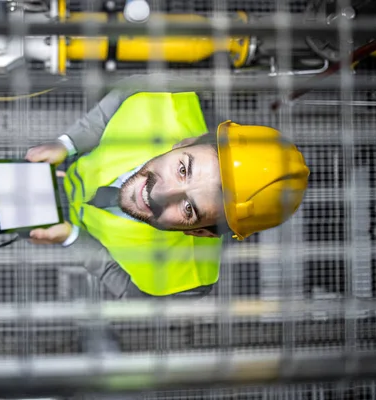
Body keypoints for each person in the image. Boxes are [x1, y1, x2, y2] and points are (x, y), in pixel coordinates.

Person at [25, 73, 310, 300]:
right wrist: (67, 144)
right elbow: (125, 93)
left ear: (201, 232)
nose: (156, 195)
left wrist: (71, 238)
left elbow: (130, 291)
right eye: (183, 169)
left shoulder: (187, 281)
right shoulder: (160, 98)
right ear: (185, 142)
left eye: (189, 208)